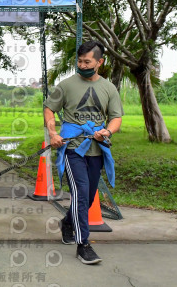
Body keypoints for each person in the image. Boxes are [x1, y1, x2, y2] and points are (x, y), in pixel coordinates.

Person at [43, 41, 123, 265]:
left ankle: (68, 222)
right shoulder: (66, 85)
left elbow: (116, 117)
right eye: (79, 61)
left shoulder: (108, 88)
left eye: (87, 61)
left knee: (87, 199)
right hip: (72, 148)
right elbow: (49, 108)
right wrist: (52, 132)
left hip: (96, 148)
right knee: (80, 192)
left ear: (100, 62)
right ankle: (83, 245)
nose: (82, 65)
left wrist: (107, 131)